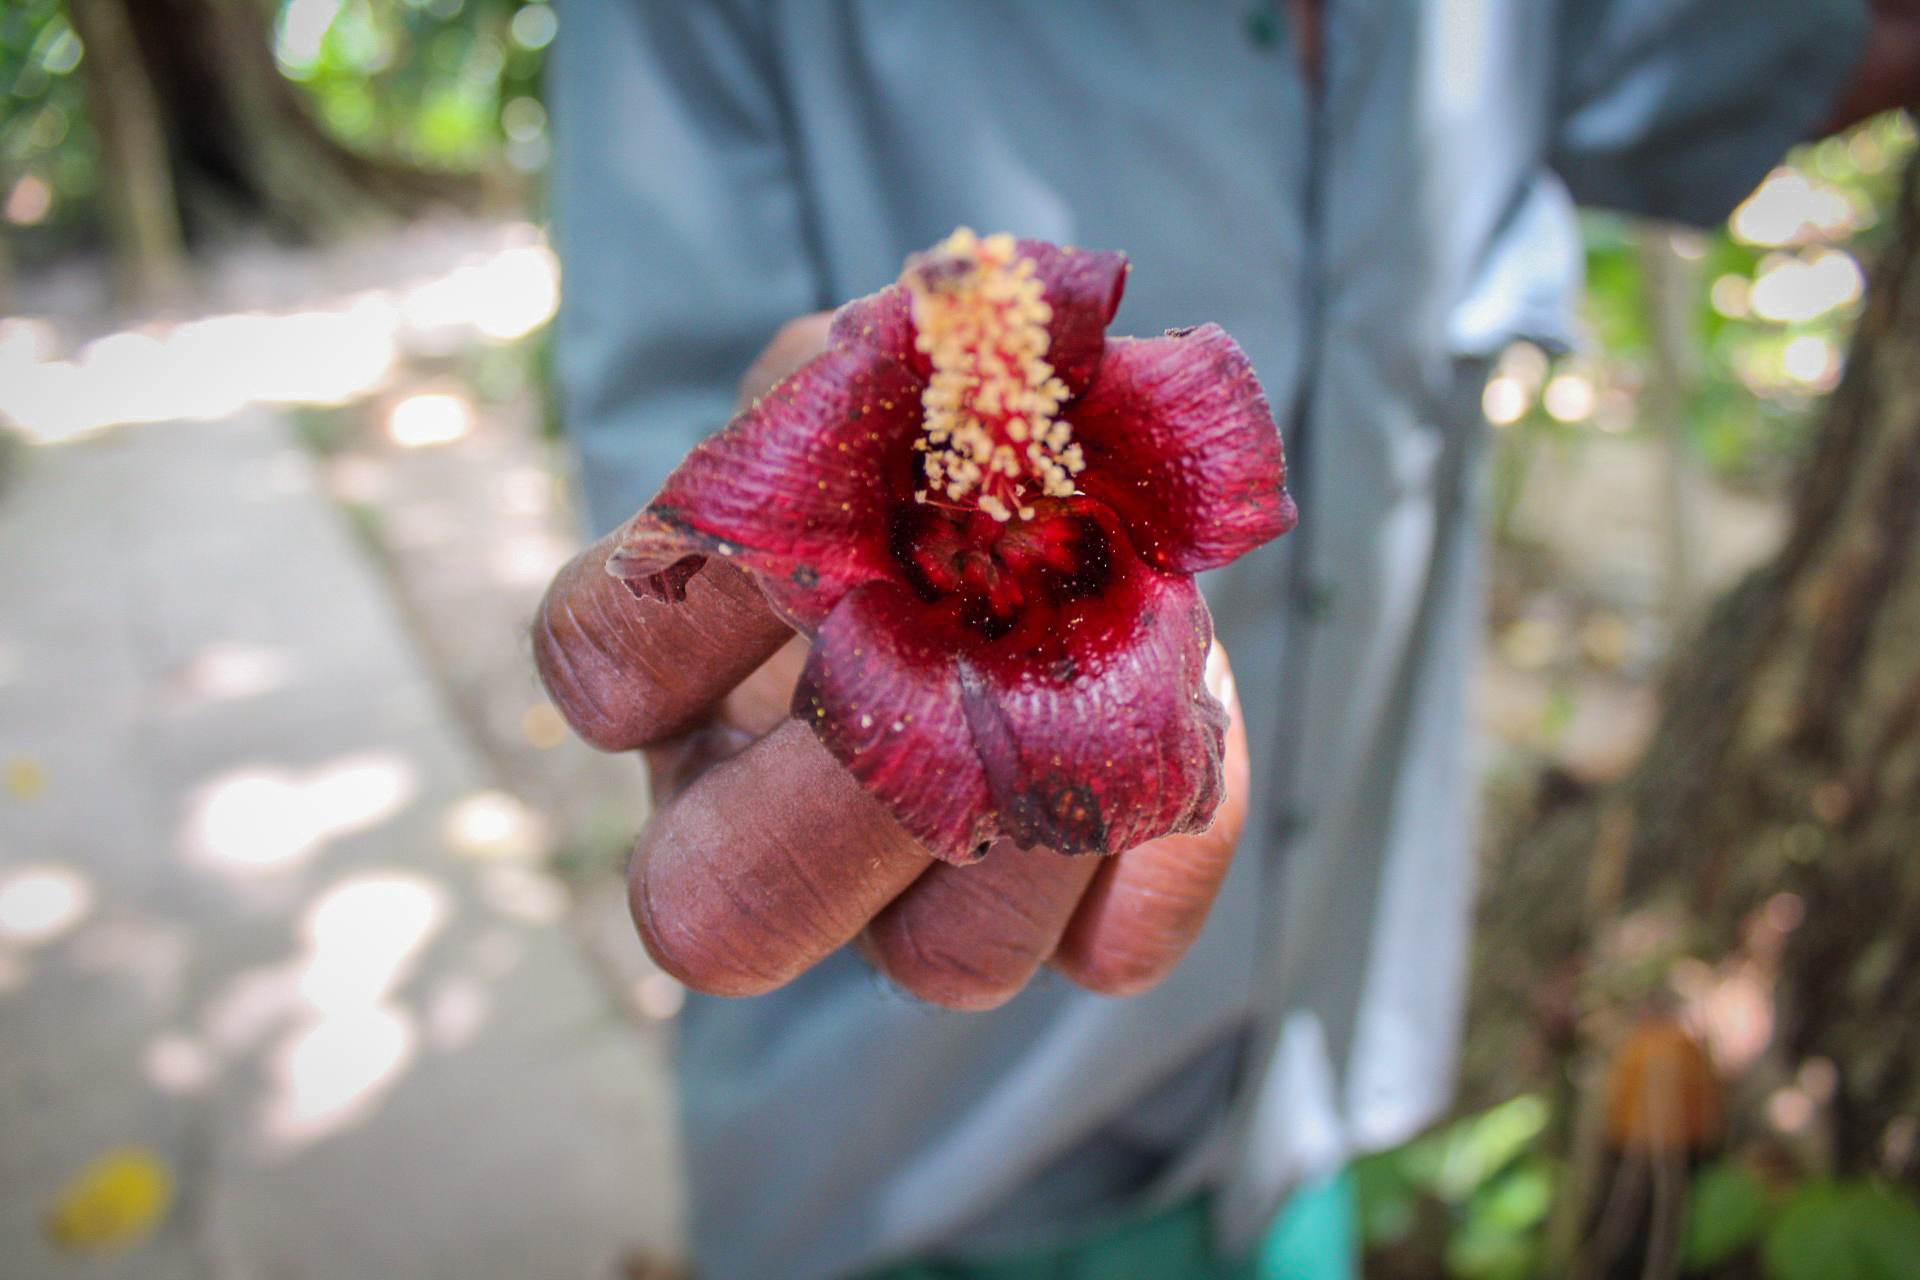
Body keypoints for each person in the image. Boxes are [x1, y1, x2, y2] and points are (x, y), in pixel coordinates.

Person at [535, 3, 1920, 1277]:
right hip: (918, 1155)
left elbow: (1777, 50)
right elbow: (676, 536)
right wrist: (808, 612)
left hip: (1303, 1091)